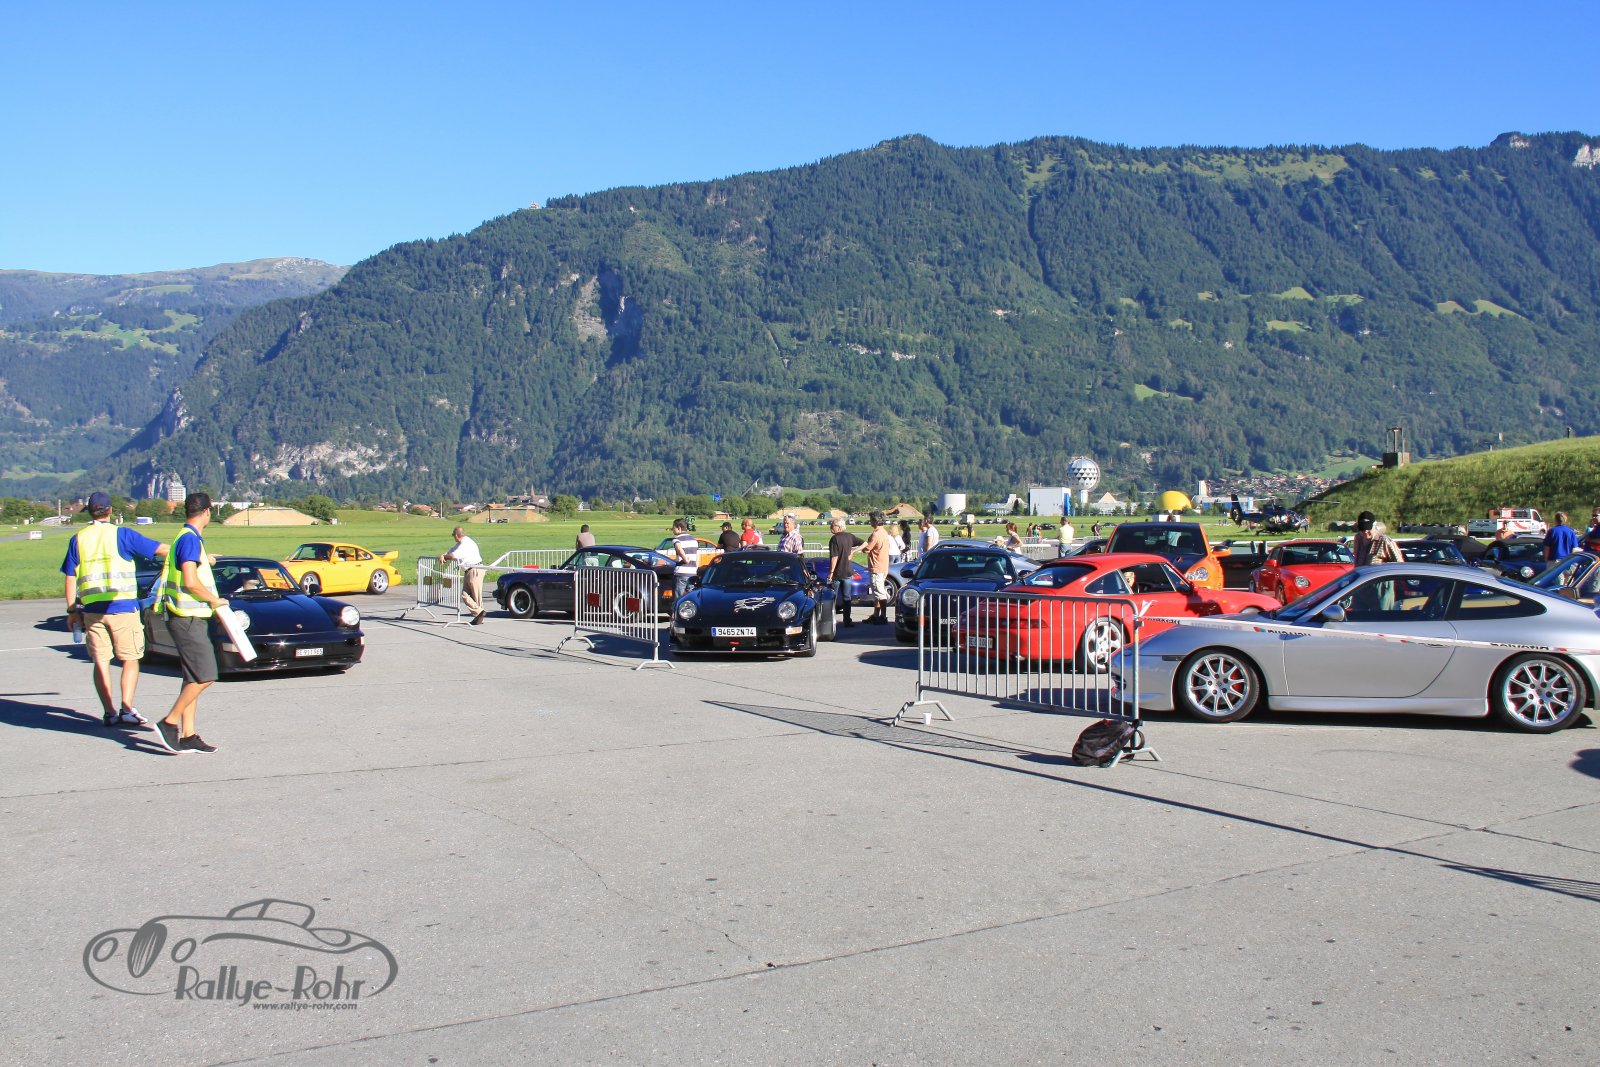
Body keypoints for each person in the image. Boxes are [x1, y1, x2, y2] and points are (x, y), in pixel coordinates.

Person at [61, 492, 169, 729]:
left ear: (89, 512)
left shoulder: (78, 538)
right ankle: (127, 709)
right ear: (110, 511)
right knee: (130, 659)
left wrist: (72, 610)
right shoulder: (122, 534)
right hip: (123, 607)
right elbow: (161, 549)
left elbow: (70, 576)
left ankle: (109, 712)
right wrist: (191, 553)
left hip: (92, 610)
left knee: (101, 662)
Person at [150, 492, 225, 754]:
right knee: (206, 674)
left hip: (184, 617)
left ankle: (188, 734)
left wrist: (207, 559)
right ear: (208, 511)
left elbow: (189, 568)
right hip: (188, 618)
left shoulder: (185, 537)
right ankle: (169, 722)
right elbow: (191, 582)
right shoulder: (190, 539)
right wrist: (215, 600)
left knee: (192, 677)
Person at [439, 526, 485, 624]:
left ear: (456, 536)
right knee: (465, 594)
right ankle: (479, 613)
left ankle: (479, 614)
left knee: (475, 595)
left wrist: (445, 557)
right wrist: (443, 555)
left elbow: (453, 556)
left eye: (453, 536)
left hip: (475, 570)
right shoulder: (461, 543)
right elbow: (451, 551)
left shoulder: (465, 544)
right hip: (469, 571)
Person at [827, 518, 864, 627]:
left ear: (839, 527)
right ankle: (847, 620)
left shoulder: (834, 539)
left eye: (833, 525)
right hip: (848, 572)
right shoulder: (850, 536)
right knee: (847, 598)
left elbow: (834, 557)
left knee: (832, 598)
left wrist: (831, 572)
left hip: (837, 573)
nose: (831, 527)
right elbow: (865, 543)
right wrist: (854, 551)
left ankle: (830, 620)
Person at [864, 512, 894, 624]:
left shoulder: (876, 534)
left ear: (876, 521)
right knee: (877, 593)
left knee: (880, 592)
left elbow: (867, 548)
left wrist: (861, 547)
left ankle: (883, 616)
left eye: (871, 520)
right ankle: (876, 615)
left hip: (876, 566)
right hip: (883, 565)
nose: (870, 522)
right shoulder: (884, 532)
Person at [670, 519, 699, 600]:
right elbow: (697, 556)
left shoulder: (677, 539)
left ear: (679, 528)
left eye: (673, 528)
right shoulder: (694, 539)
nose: (672, 530)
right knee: (691, 599)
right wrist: (696, 569)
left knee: (678, 599)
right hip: (692, 573)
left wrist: (685, 559)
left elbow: (679, 548)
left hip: (681, 573)